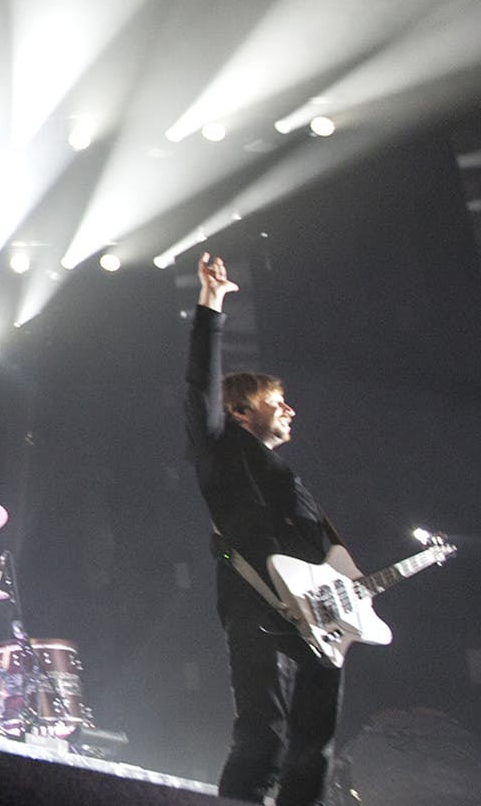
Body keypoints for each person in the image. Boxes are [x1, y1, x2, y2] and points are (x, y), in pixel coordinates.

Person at [186, 252, 343, 806]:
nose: (290, 410)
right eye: (277, 403)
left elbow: (321, 543)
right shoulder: (221, 451)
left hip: (319, 614)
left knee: (314, 746)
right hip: (257, 606)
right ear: (240, 413)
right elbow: (201, 389)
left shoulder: (287, 476)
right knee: (264, 736)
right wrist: (212, 306)